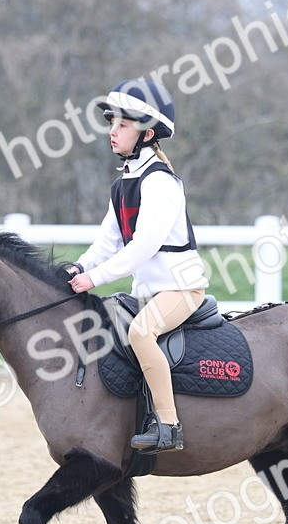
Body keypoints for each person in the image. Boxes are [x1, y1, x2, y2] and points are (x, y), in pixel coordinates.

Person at [67, 79, 208, 454]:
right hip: (146, 290)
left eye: (122, 125)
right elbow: (108, 241)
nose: (112, 131)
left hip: (180, 287)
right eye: (111, 123)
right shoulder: (124, 182)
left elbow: (144, 246)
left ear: (147, 132)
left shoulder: (160, 182)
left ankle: (169, 425)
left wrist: (94, 278)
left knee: (142, 333)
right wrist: (77, 267)